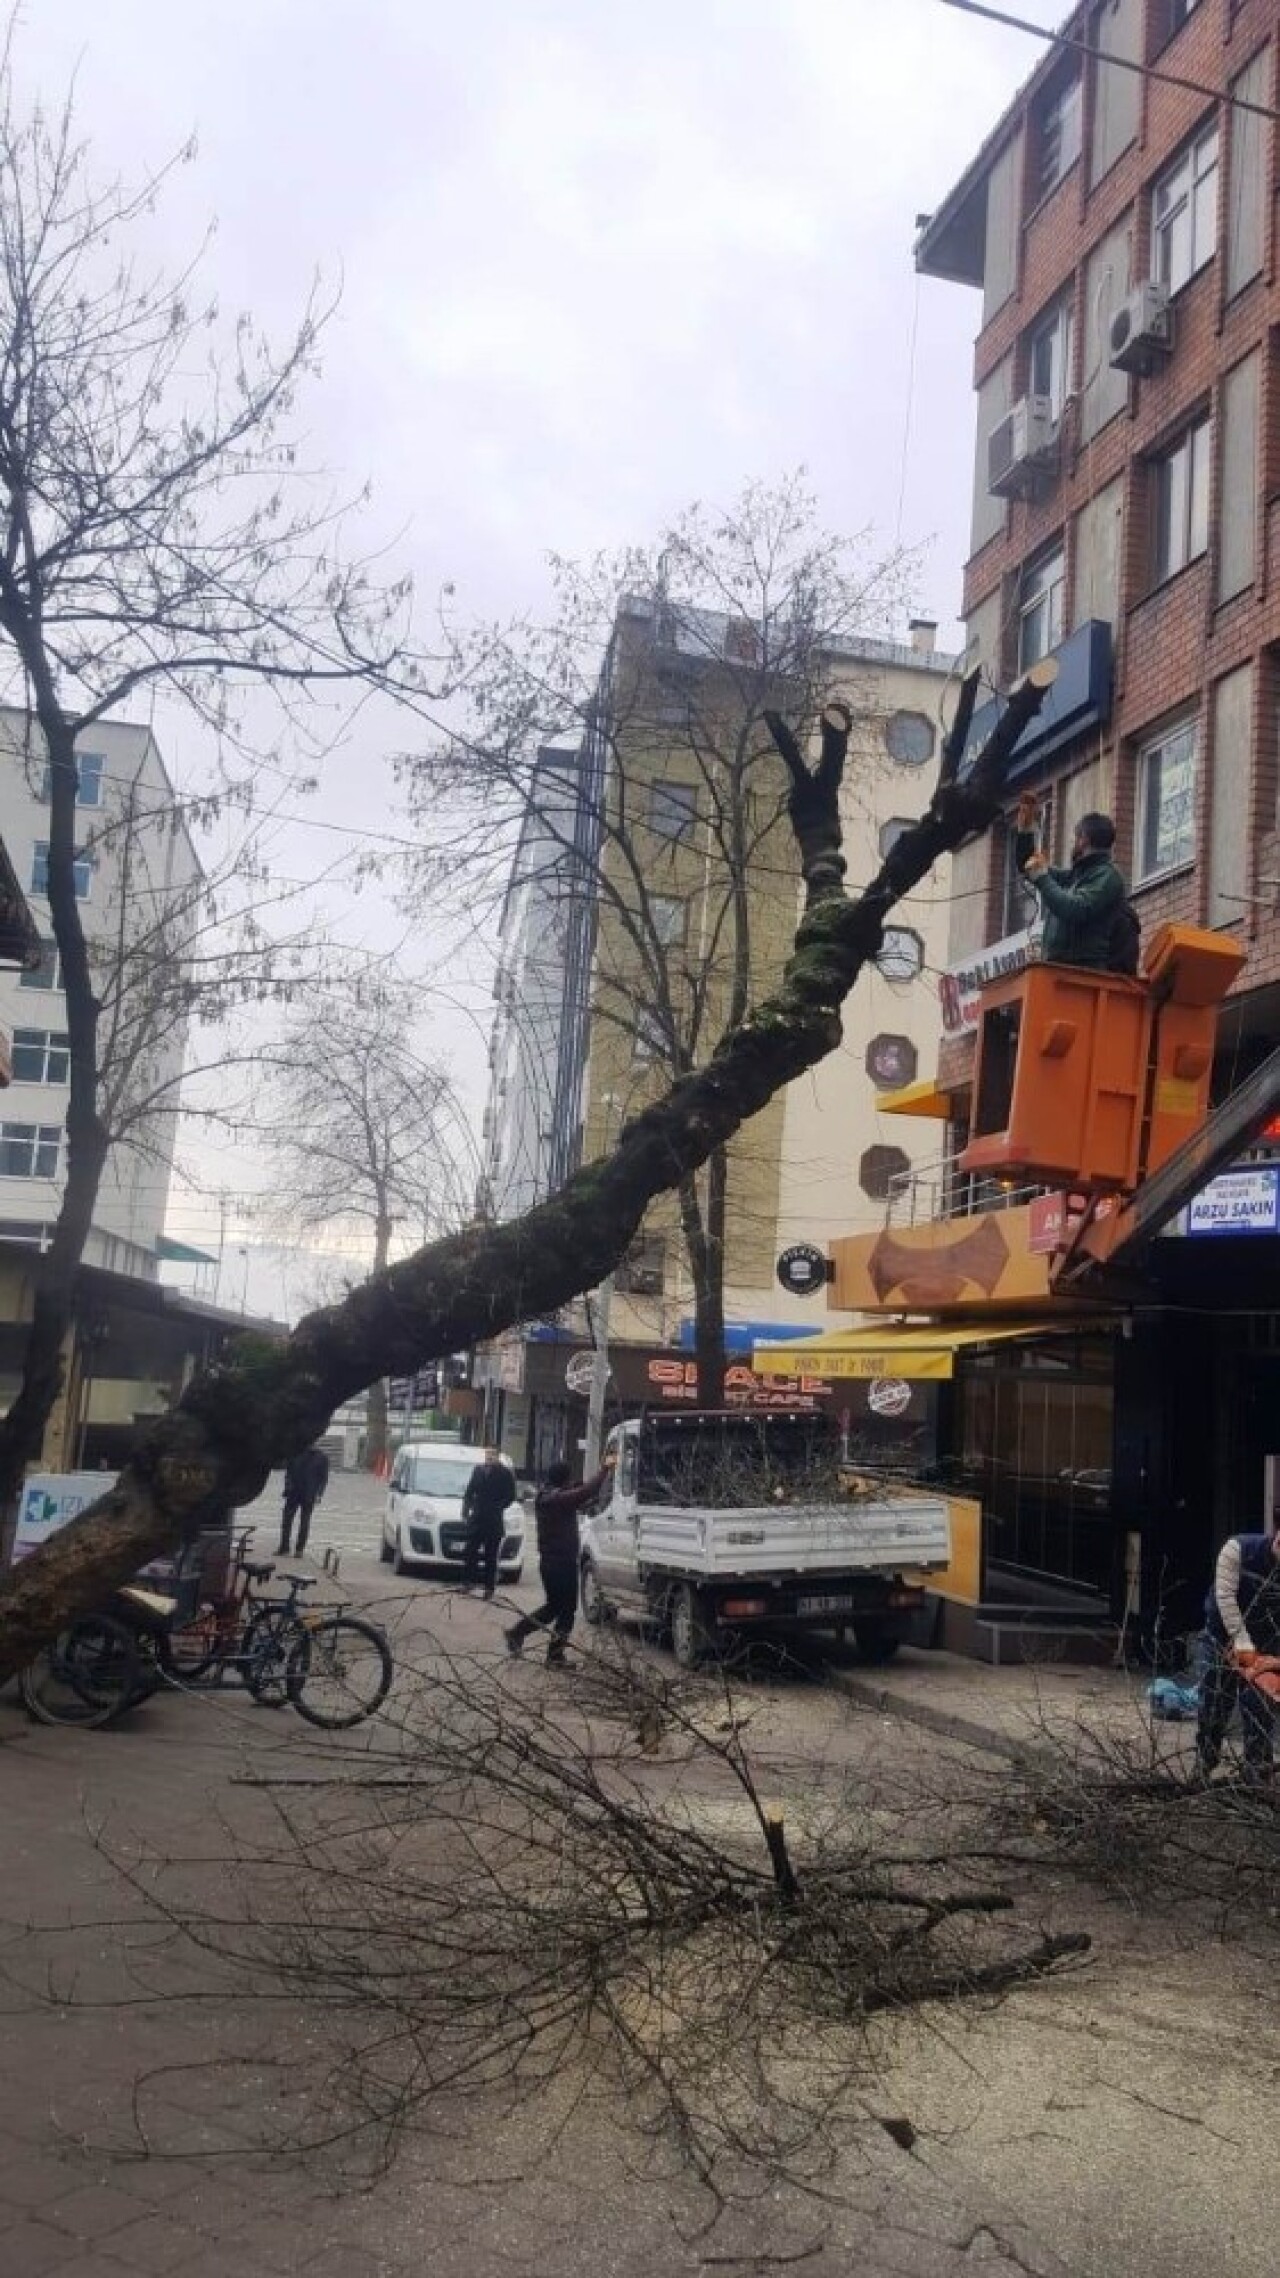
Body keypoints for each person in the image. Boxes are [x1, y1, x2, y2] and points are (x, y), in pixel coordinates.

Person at [505, 1453, 614, 1666]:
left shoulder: (548, 1494)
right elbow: (583, 1492)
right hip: (560, 1563)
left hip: (552, 1562)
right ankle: (554, 1655)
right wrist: (604, 1470)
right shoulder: (556, 1499)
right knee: (567, 1610)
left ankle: (518, 1633)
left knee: (554, 1607)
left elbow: (578, 1489)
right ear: (563, 1479)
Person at [1195, 1529, 1280, 1784]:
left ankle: (1257, 1773)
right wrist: (1242, 1644)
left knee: (1260, 1706)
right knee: (1214, 1701)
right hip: (1223, 1637)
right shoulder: (1238, 1550)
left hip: (1268, 1646)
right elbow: (1225, 1598)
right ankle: (1204, 1763)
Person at [1013, 797, 1134, 974]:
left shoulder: (1107, 876)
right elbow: (1028, 865)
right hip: (1060, 969)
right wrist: (1025, 831)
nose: (1073, 842)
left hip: (1083, 973)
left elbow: (1074, 909)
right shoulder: (1076, 876)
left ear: (1084, 839)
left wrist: (1042, 878)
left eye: (1075, 837)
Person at [460, 1445, 518, 1599]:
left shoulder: (505, 1473)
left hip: (493, 1520)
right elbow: (469, 1491)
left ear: (498, 1456)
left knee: (490, 1556)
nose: (489, 1457)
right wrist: (466, 1510)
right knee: (470, 1551)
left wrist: (499, 1506)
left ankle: (489, 1588)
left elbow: (511, 1495)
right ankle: (467, 1582)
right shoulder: (478, 1470)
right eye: (487, 1454)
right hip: (477, 1518)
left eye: (492, 1454)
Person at [279, 1444, 330, 1557]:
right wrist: (288, 1486)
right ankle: (287, 1548)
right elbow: (288, 1472)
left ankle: (296, 1549)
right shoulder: (297, 1453)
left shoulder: (321, 1457)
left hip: (306, 1494)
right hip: (296, 1493)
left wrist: (319, 1494)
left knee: (303, 1522)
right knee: (290, 1521)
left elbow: (323, 1478)